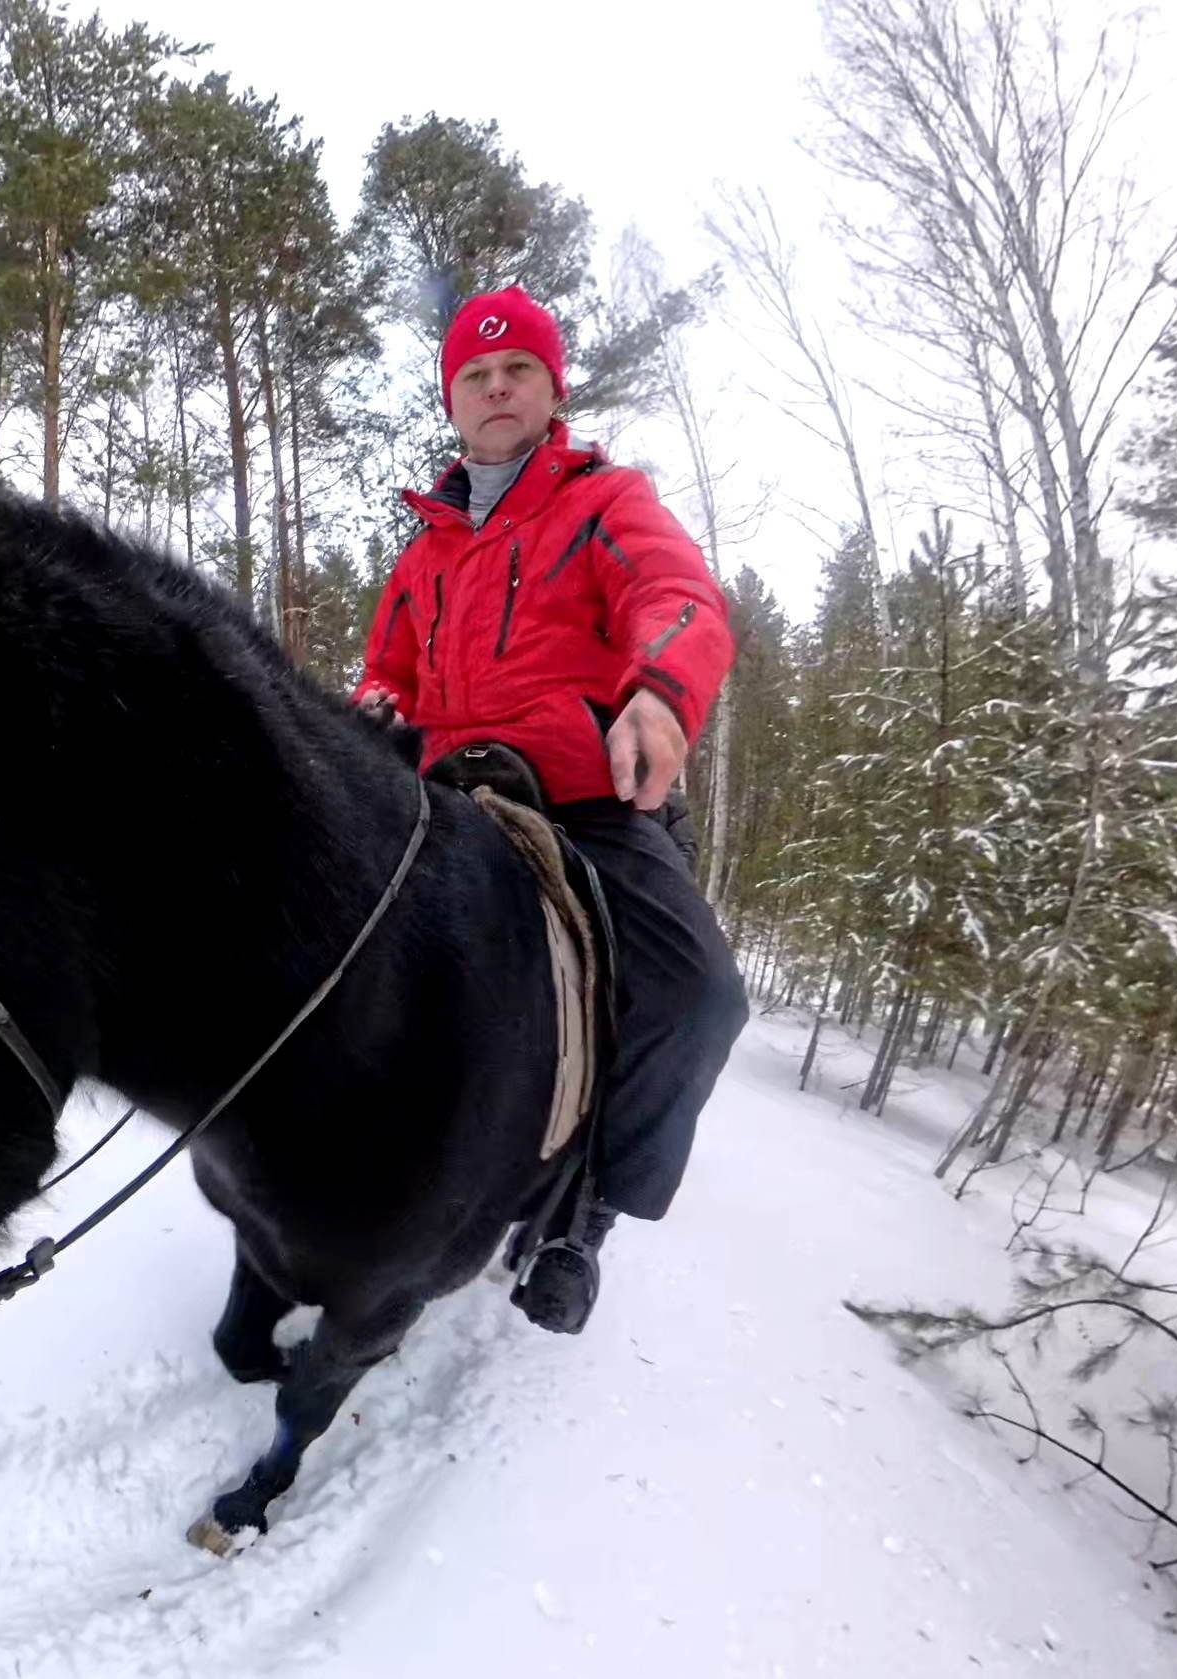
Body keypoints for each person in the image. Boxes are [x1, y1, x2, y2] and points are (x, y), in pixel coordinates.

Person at [351, 286, 749, 1330]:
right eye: (474, 375)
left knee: (697, 994)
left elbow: (679, 598)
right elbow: (384, 671)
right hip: (434, 795)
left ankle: (586, 1211)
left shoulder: (606, 502)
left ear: (548, 386)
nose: (494, 386)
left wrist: (659, 692)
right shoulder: (421, 551)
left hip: (574, 793)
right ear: (452, 400)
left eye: (514, 369)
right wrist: (370, 712)